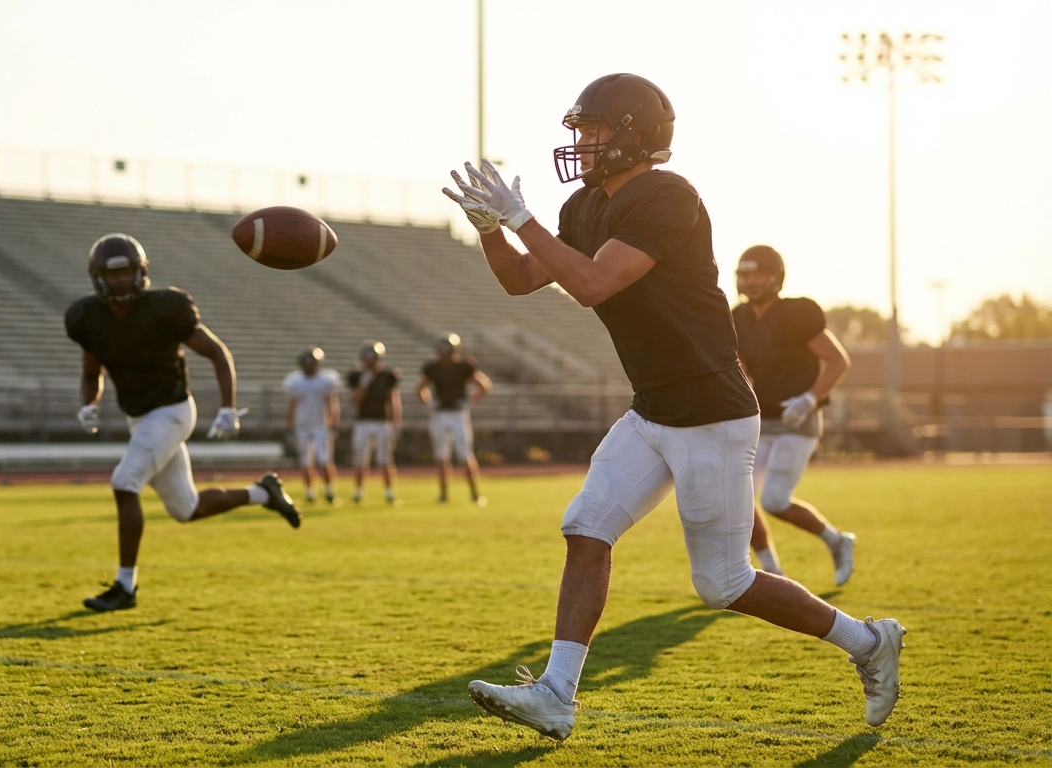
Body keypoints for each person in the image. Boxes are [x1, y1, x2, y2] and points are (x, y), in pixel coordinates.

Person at [444, 73, 905, 740]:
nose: (580, 142)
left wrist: (521, 219)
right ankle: (556, 694)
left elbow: (594, 283)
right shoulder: (583, 208)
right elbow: (522, 278)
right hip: (653, 408)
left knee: (723, 583)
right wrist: (492, 230)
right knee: (586, 526)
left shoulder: (668, 195)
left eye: (593, 129)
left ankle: (868, 642)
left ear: (634, 135)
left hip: (709, 412)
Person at [65, 233, 301, 612]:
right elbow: (91, 371)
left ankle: (125, 587)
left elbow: (217, 352)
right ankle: (264, 493)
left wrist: (227, 407)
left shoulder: (165, 307)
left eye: (126, 272)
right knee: (185, 509)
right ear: (98, 278)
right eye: (113, 275)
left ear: (140, 272)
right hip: (140, 420)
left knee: (124, 483)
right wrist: (89, 402)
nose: (121, 281)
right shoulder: (87, 318)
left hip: (173, 412)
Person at [733, 245, 855, 584]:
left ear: (776, 277)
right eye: (745, 274)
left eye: (758, 274)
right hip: (761, 418)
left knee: (773, 499)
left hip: (796, 422)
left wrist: (809, 398)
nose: (751, 281)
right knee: (739, 496)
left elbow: (838, 360)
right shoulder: (738, 318)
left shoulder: (797, 313)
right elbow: (741, 369)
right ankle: (771, 570)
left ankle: (837, 540)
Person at [416, 333, 492, 505]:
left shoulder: (464, 367)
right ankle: (443, 494)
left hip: (458, 414)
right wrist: (430, 403)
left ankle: (474, 493)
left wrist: (470, 401)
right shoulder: (433, 368)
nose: (444, 355)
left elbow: (484, 385)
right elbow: (420, 388)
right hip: (440, 414)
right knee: (442, 456)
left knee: (465, 454)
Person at [283, 347, 342, 505]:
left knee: (325, 460)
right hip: (302, 425)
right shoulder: (295, 381)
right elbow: (292, 404)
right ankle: (310, 492)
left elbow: (332, 402)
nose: (309, 365)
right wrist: (289, 424)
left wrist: (334, 422)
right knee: (305, 461)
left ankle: (329, 490)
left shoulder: (325, 380)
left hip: (321, 425)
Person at [346, 342, 402, 506]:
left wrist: (396, 422)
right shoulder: (357, 376)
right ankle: (358, 492)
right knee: (360, 459)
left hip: (382, 422)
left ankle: (389, 492)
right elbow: (355, 400)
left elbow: (393, 400)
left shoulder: (387, 376)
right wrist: (364, 382)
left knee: (385, 459)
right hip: (363, 422)